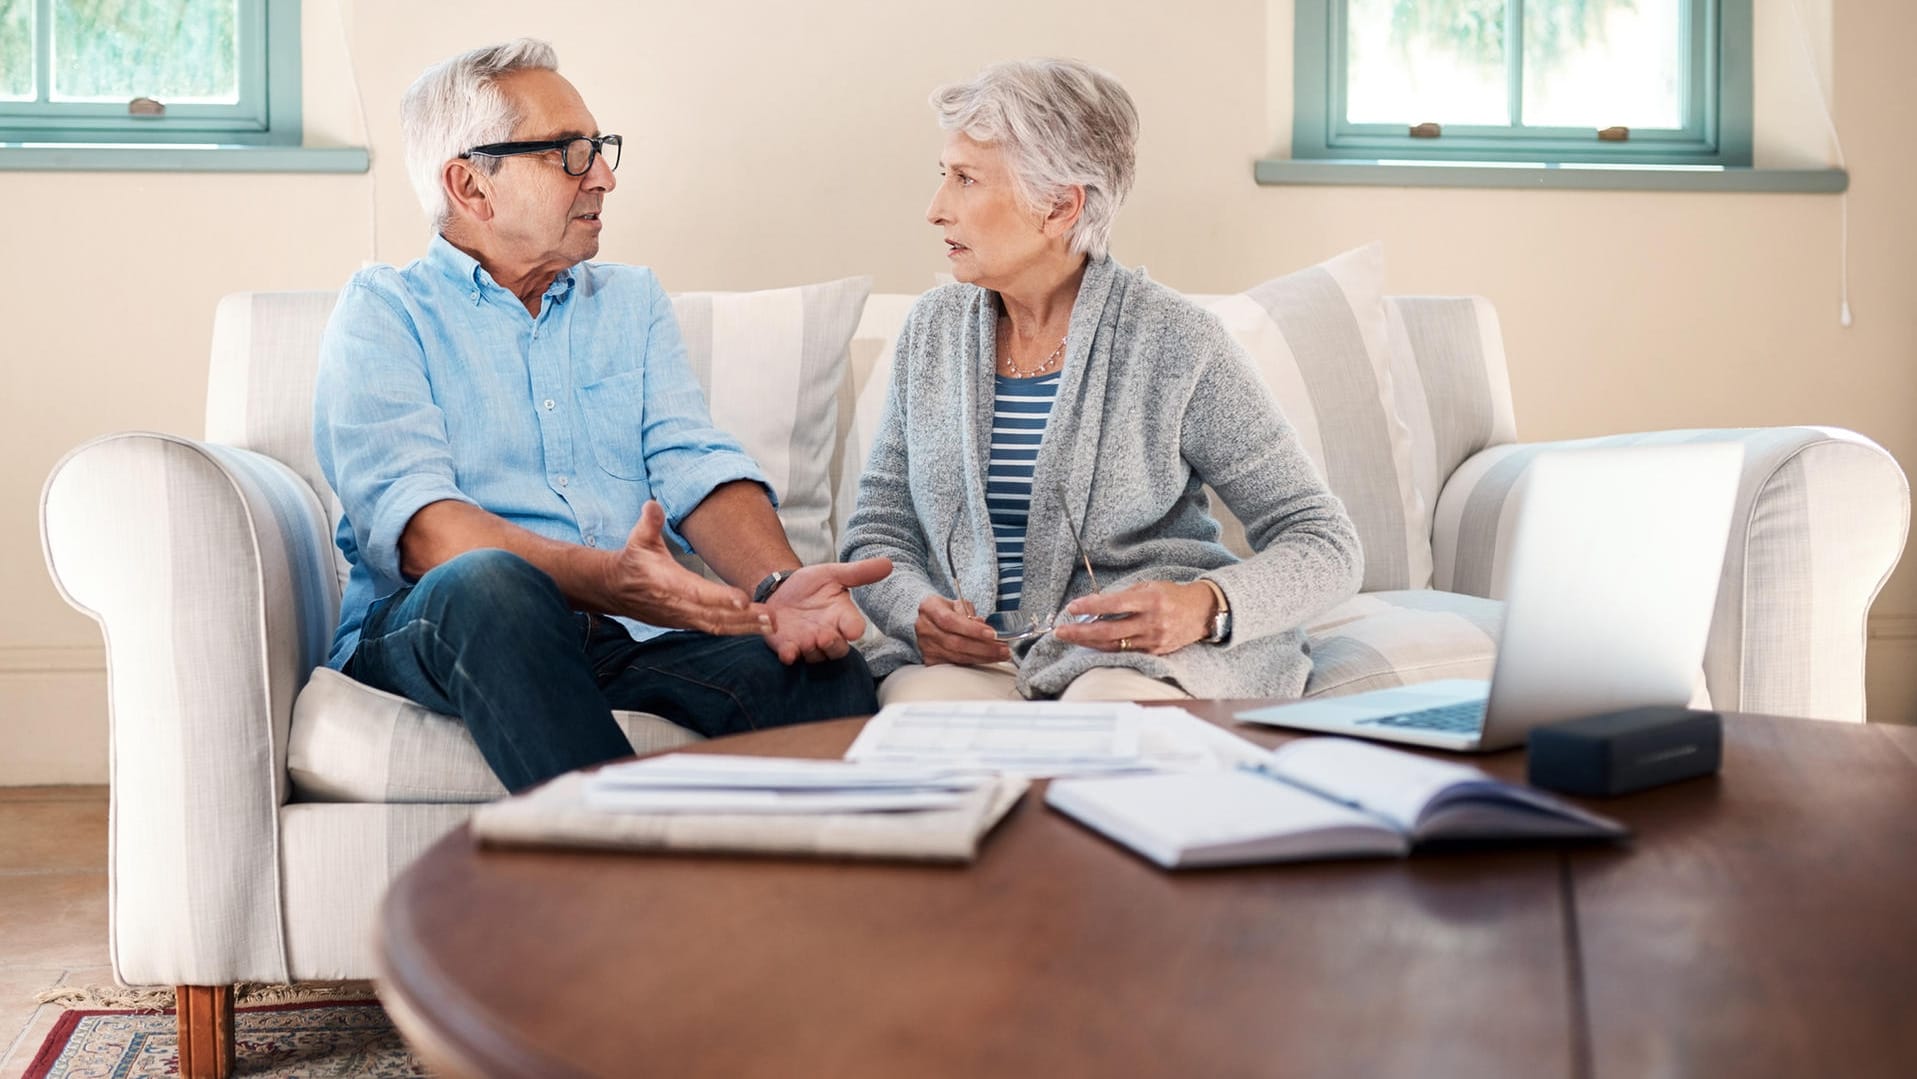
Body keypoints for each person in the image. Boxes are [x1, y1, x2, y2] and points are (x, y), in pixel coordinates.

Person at [314, 39, 888, 791]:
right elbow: (426, 535)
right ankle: (626, 884)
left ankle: (799, 906)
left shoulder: (628, 301)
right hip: (447, 623)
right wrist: (606, 579)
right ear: (470, 186)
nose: (605, 177)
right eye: (571, 154)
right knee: (491, 583)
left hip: (629, 635)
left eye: (600, 148)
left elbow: (695, 464)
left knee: (819, 674)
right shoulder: (384, 312)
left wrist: (776, 584)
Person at [840, 58, 1362, 703]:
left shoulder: (1177, 341)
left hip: (1137, 660)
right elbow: (879, 529)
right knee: (924, 723)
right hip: (975, 664)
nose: (936, 209)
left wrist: (1206, 605)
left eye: (966, 180)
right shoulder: (933, 332)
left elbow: (1323, 539)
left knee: (1106, 713)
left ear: (1059, 206)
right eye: (943, 176)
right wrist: (914, 612)